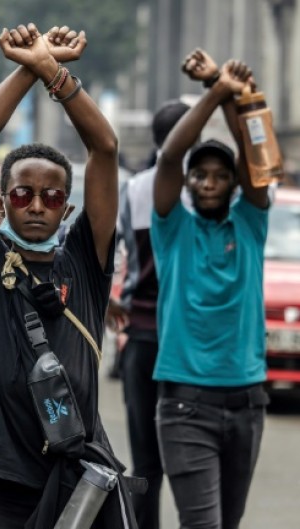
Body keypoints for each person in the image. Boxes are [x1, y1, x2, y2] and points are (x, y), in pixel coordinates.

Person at [0, 23, 135, 527]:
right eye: (21, 194)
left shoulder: (84, 260)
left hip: (81, 481)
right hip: (0, 485)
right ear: (0, 202)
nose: (37, 205)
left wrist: (53, 73)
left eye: (52, 197)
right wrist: (26, 69)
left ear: (67, 207)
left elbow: (105, 147)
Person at [151, 51, 269, 529]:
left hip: (247, 404)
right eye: (201, 175)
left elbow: (258, 160)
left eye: (222, 175)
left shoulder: (251, 224)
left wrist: (232, 96)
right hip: (185, 405)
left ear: (235, 183)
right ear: (189, 182)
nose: (210, 183)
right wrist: (216, 92)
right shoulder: (173, 229)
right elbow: (170, 157)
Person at [107, 99, 189, 529]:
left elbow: (108, 248)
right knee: (190, 455)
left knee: (144, 459)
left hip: (140, 332)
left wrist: (106, 296)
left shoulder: (136, 187)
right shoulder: (200, 186)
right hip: (184, 338)